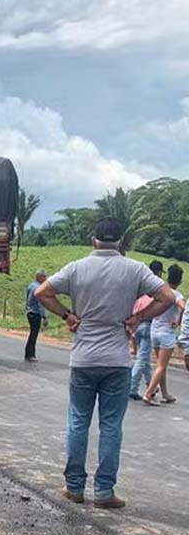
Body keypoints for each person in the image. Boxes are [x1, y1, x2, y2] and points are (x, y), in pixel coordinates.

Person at [35, 218, 174, 509]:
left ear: (93, 240)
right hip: (117, 360)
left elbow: (42, 292)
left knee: (78, 422)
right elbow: (167, 296)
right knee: (111, 426)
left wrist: (67, 316)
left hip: (84, 358)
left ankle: (74, 487)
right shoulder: (134, 268)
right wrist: (138, 317)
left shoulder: (77, 267)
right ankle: (104, 491)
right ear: (120, 241)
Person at [144, 264, 185, 406]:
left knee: (161, 365)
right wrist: (178, 319)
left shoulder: (160, 290)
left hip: (154, 330)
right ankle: (149, 394)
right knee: (161, 365)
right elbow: (183, 307)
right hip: (167, 332)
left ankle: (165, 393)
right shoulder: (177, 295)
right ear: (180, 280)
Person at [129, 260, 165, 399]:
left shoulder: (141, 284)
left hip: (136, 324)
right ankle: (132, 387)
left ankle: (152, 385)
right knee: (142, 358)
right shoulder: (156, 287)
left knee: (144, 357)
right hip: (148, 325)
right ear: (159, 272)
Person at [25, 270, 47, 362]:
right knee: (34, 334)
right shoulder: (39, 288)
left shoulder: (31, 285)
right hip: (35, 313)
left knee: (32, 333)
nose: (45, 279)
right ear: (39, 278)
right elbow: (40, 304)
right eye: (44, 277)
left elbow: (27, 298)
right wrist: (44, 316)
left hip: (30, 311)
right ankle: (31, 354)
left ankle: (28, 353)